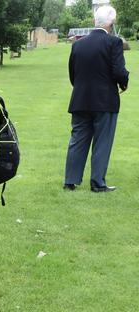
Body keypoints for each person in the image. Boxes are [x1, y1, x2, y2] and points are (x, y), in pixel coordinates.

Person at [63, 5, 129, 192]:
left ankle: (71, 180)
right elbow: (119, 71)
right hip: (105, 100)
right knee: (102, 141)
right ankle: (97, 183)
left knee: (78, 139)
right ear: (111, 23)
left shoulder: (78, 44)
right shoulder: (114, 43)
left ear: (94, 22)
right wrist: (124, 83)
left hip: (80, 99)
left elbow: (72, 74)